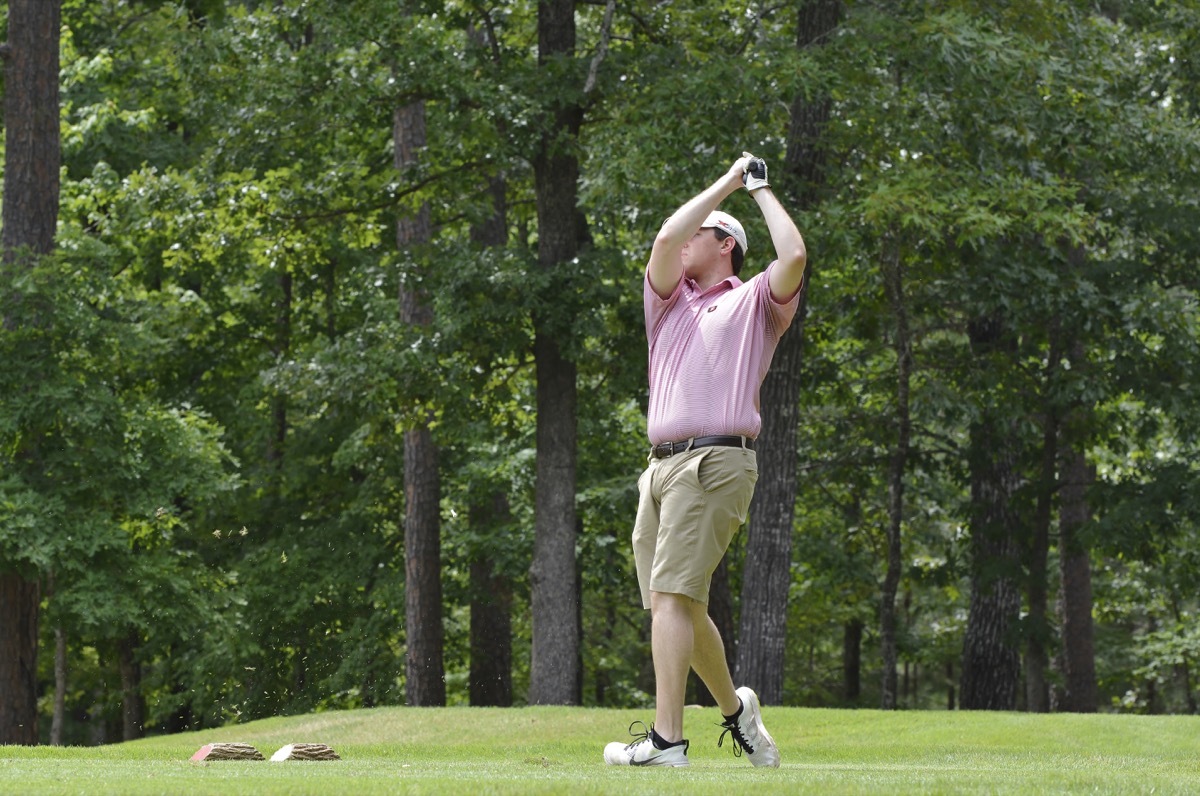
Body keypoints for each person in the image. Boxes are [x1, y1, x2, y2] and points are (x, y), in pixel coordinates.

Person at [603, 152, 807, 768]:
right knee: (681, 605)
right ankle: (737, 712)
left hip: (715, 462)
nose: (687, 235)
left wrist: (758, 188)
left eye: (704, 230)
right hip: (659, 469)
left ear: (726, 245)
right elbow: (667, 237)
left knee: (672, 597)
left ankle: (667, 742)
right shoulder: (668, 300)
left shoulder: (756, 302)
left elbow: (794, 256)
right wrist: (725, 181)